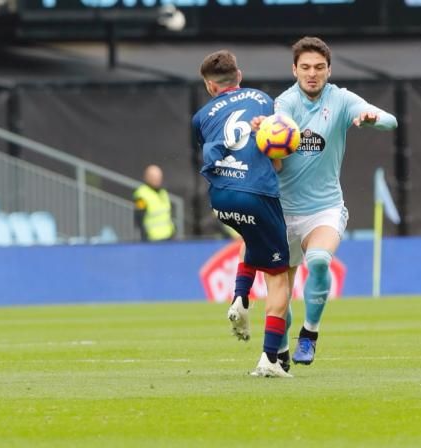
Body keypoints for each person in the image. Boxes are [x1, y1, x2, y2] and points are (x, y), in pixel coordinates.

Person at [252, 36, 397, 366]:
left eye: (319, 67)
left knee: (318, 260)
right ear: (294, 70)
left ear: (329, 70)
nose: (312, 73)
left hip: (324, 208)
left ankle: (310, 334)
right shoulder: (285, 103)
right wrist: (266, 128)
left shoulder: (342, 100)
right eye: (305, 67)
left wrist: (373, 117)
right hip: (281, 211)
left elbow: (391, 120)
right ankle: (282, 351)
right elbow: (277, 124)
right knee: (280, 297)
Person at [194, 50, 293, 377]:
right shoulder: (263, 99)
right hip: (258, 192)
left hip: (221, 197)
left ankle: (240, 297)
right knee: (279, 276)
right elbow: (274, 149)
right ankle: (269, 360)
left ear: (210, 86)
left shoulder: (201, 116)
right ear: (239, 75)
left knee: (251, 238)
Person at [133, 165, 175, 242]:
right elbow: (139, 218)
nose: (157, 179)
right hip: (152, 240)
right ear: (147, 177)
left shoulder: (163, 192)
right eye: (154, 177)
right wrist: (145, 237)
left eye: (159, 177)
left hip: (168, 238)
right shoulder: (141, 194)